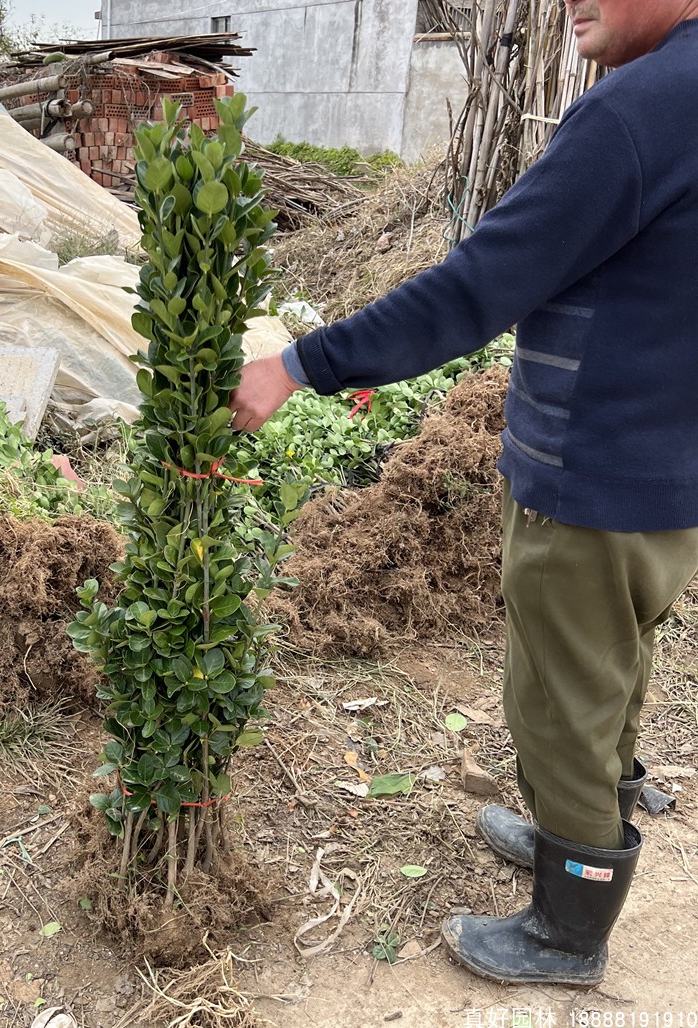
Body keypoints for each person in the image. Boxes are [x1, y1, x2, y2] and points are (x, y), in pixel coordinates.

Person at [228, 0, 698, 987]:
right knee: (608, 664)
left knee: (556, 697)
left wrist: (300, 363)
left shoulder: (634, 112)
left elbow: (478, 285)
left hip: (592, 475)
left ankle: (565, 928)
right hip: (663, 470)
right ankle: (582, 828)